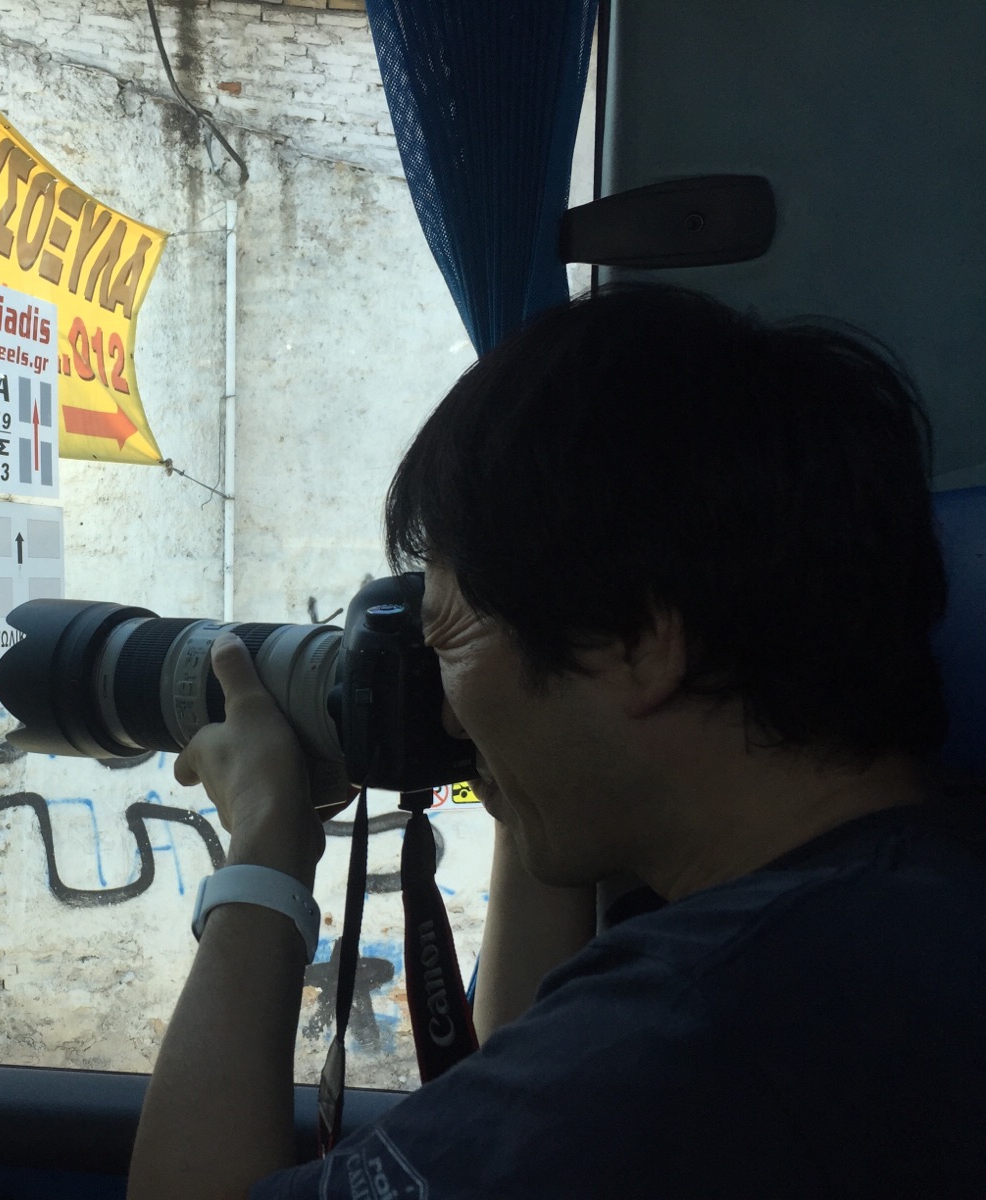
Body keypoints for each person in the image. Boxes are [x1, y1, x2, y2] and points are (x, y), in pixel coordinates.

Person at [127, 285, 986, 1199]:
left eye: (450, 636)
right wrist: (523, 775)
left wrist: (266, 848)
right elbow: (526, 1088)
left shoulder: (703, 1019)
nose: (446, 713)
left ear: (639, 645)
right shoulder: (901, 906)